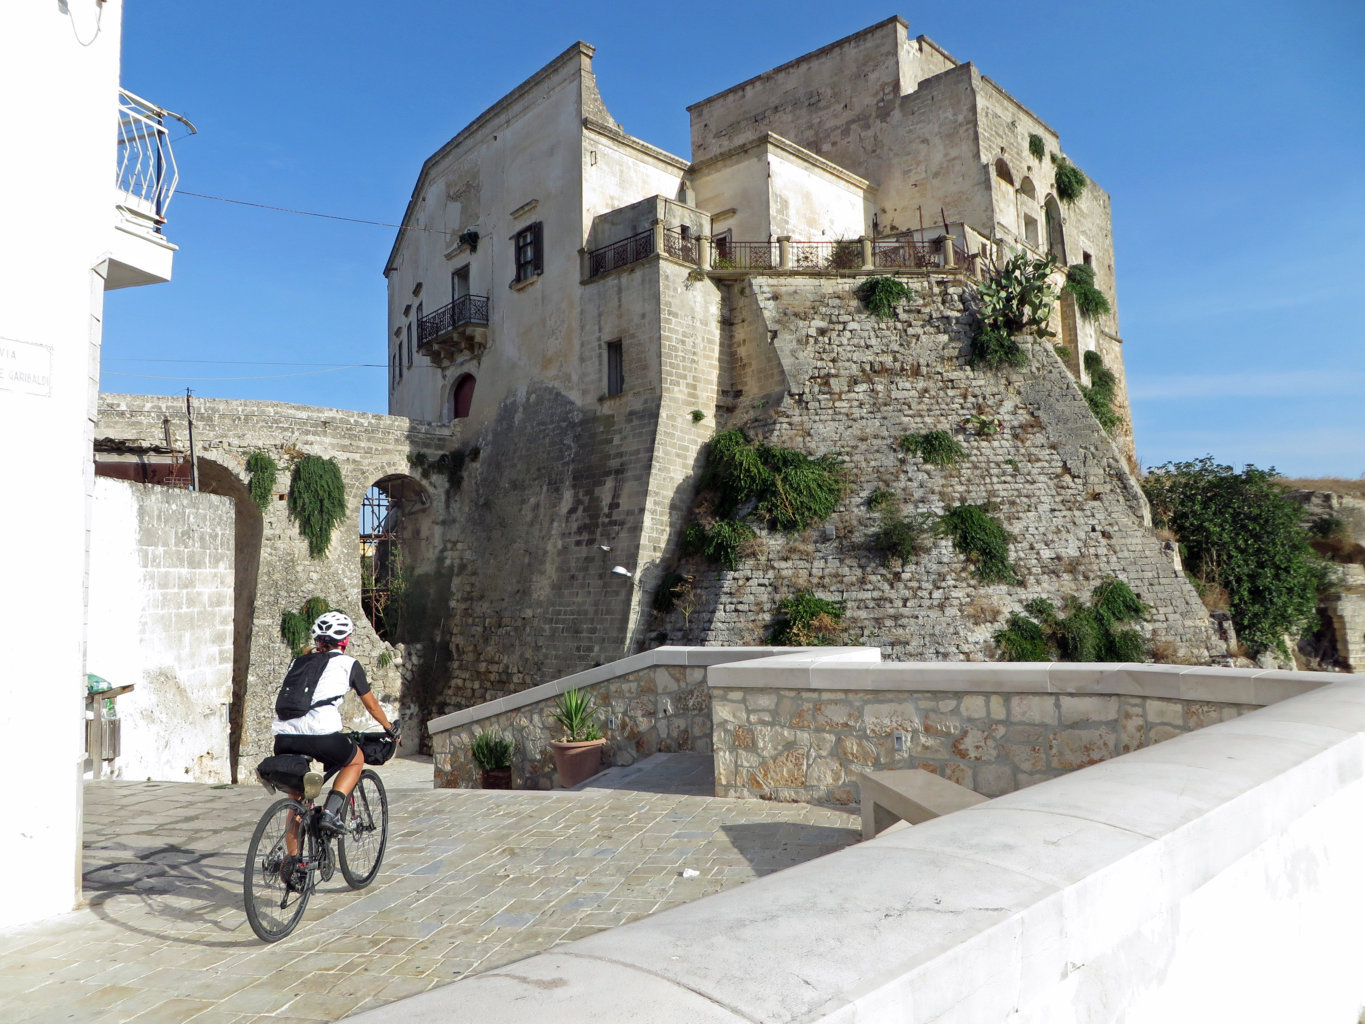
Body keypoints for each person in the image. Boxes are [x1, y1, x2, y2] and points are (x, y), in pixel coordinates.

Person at [272, 610, 397, 835]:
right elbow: (372, 706)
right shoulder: (348, 664)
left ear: (318, 641)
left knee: (298, 801)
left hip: (283, 737)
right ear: (345, 641)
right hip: (320, 734)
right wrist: (389, 728)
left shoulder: (298, 662)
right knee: (355, 759)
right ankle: (330, 812)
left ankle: (291, 864)